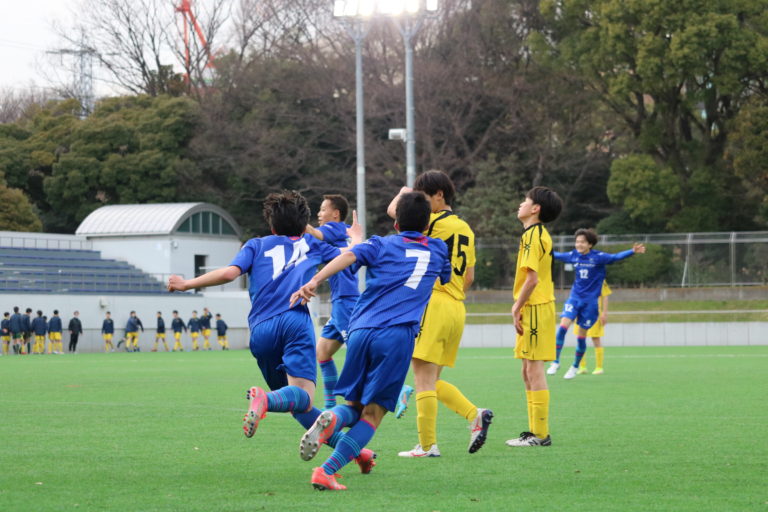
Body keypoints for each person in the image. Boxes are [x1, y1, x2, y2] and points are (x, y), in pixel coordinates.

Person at [168, 191, 371, 474]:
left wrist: (186, 284)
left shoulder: (256, 245)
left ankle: (356, 452)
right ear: (304, 225)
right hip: (295, 321)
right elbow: (348, 255)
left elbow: (228, 274)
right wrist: (357, 238)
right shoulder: (311, 243)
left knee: (295, 402)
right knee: (302, 397)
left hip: (261, 330)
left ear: (272, 226)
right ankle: (264, 399)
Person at [291, 191, 453, 491]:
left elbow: (348, 256)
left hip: (360, 330)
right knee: (373, 415)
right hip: (396, 336)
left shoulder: (381, 244)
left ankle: (333, 417)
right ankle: (326, 470)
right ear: (427, 224)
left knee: (353, 406)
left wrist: (314, 281)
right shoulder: (438, 248)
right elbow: (446, 278)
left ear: (396, 224)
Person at [386, 171, 492, 458]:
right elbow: (469, 277)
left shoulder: (431, 222)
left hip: (433, 302)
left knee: (422, 378)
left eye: (423, 196)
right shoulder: (466, 228)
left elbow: (395, 211)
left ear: (439, 195)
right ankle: (474, 414)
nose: (419, 203)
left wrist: (404, 192)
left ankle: (427, 446)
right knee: (430, 380)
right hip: (456, 307)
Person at [506, 186, 563, 448]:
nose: (521, 204)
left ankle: (540, 435)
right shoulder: (534, 234)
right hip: (535, 307)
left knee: (534, 368)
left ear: (535, 208)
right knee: (527, 369)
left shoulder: (533, 235)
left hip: (536, 306)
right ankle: (534, 432)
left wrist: (516, 306)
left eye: (525, 201)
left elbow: (532, 279)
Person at [547, 229, 644, 379]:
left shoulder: (598, 257)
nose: (579, 244)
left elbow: (615, 257)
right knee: (562, 328)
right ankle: (555, 362)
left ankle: (575, 366)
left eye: (582, 242)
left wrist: (632, 251)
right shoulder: (574, 255)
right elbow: (556, 255)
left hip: (590, 304)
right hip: (574, 299)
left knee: (581, 337)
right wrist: (540, 250)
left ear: (590, 244)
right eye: (577, 241)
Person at [304, 194, 361, 409]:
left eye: (322, 209)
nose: (319, 214)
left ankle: (399, 391)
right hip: (343, 299)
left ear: (335, 214)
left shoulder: (333, 228)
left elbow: (315, 233)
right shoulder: (344, 231)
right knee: (322, 352)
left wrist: (298, 222)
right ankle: (329, 406)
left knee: (358, 351)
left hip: (345, 300)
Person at [578, 281, 611, 375]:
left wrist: (604, 313)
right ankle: (582, 367)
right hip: (581, 313)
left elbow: (605, 296)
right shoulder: (580, 277)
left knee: (595, 339)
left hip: (594, 313)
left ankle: (599, 367)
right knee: (580, 338)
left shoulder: (600, 278)